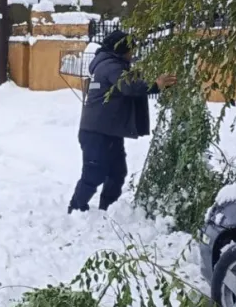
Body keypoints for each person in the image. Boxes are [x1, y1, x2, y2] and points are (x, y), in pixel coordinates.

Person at [68, 30, 177, 213]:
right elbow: (128, 86)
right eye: (131, 49)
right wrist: (156, 85)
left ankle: (107, 209)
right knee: (93, 173)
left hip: (108, 131)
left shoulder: (109, 64)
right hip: (97, 132)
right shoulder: (110, 66)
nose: (132, 54)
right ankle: (76, 209)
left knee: (117, 172)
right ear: (121, 49)